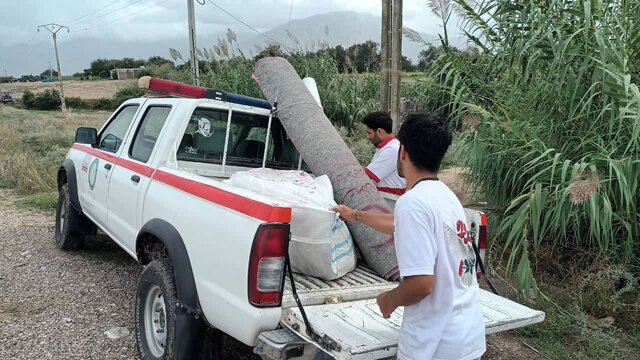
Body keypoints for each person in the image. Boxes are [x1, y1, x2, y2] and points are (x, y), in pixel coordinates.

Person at [334, 113, 486, 360]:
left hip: (436, 345)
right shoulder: (445, 197)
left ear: (402, 152)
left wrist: (390, 299)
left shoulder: (412, 203)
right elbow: (398, 224)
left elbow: (421, 285)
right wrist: (354, 215)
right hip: (466, 336)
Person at [360, 111, 407, 195]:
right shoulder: (385, 148)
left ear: (379, 131)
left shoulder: (392, 149)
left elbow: (368, 174)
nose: (368, 137)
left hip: (390, 200)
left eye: (369, 133)